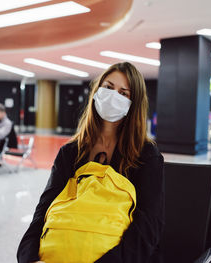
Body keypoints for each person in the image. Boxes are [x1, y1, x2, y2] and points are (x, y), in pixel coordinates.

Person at [17, 62, 165, 263]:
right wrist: (29, 256)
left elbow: (148, 228)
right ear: (97, 92)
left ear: (134, 104)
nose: (114, 96)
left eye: (124, 93)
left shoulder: (146, 155)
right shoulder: (70, 152)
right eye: (108, 87)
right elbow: (44, 209)